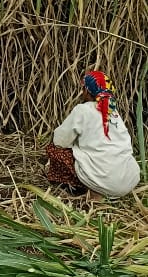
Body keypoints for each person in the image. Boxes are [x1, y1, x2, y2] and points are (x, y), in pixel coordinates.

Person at [46, 70, 141, 199]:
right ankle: (110, 190)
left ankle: (95, 192)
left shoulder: (82, 110)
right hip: (128, 181)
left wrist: (73, 145)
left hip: (103, 180)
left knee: (54, 150)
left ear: (86, 91)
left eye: (83, 88)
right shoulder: (113, 112)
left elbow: (60, 141)